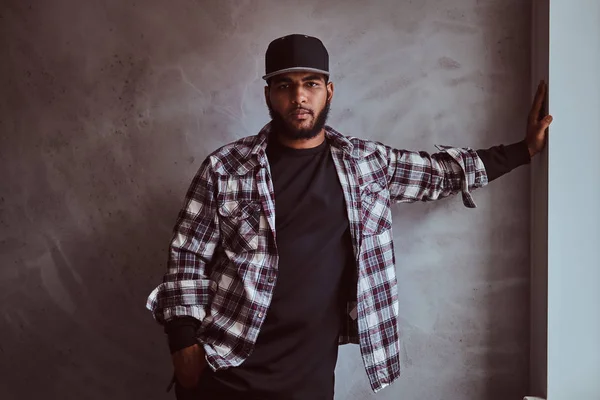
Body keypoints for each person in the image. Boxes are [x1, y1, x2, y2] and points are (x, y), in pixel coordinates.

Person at [146, 34, 553, 400]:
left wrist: (524, 150)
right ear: (269, 94)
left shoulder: (365, 165)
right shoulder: (225, 167)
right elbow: (187, 257)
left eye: (310, 84)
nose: (299, 98)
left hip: (307, 379)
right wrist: (183, 346)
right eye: (285, 86)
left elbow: (441, 173)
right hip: (225, 369)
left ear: (329, 91)